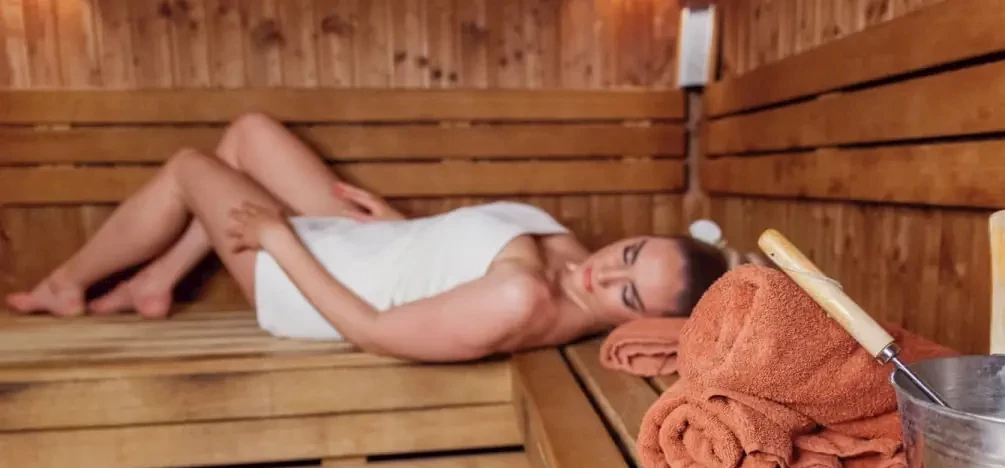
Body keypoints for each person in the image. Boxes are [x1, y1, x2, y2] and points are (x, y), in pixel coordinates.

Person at [5, 112, 732, 363]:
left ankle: (67, 284)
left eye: (626, 294)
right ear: (637, 237)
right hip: (368, 242)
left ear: (643, 324)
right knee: (248, 134)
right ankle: (158, 281)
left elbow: (374, 332)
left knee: (192, 168)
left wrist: (278, 241)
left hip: (310, 282)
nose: (604, 273)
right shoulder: (573, 257)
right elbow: (454, 255)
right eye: (628, 255)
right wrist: (399, 225)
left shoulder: (523, 302)